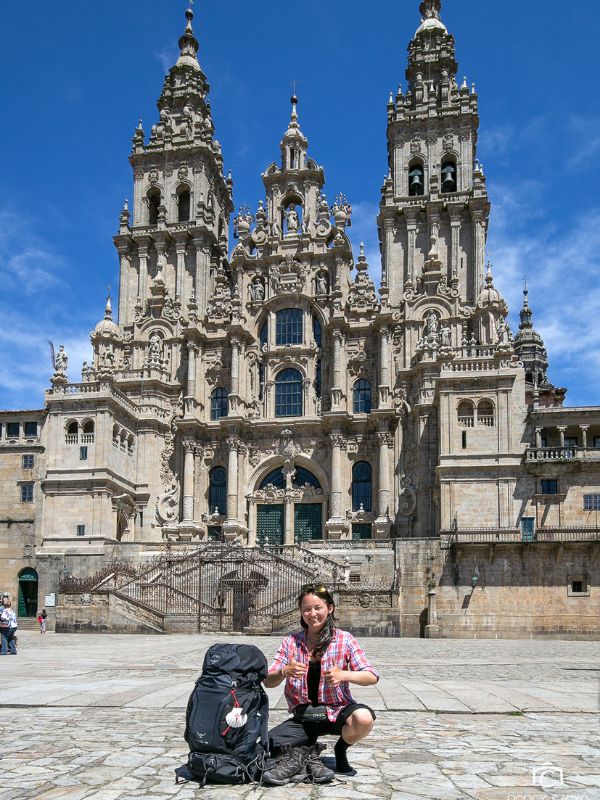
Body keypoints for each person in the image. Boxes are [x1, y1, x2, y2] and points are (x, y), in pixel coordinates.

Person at [263, 583, 378, 782]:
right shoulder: (291, 642)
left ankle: (340, 748)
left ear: (330, 609)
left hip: (337, 712)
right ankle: (306, 753)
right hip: (305, 716)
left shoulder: (344, 639)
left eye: (318, 608)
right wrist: (284, 671)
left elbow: (371, 676)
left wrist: (344, 675)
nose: (312, 614)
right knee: (264, 747)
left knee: (363, 718)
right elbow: (269, 682)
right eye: (307, 609)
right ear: (301, 611)